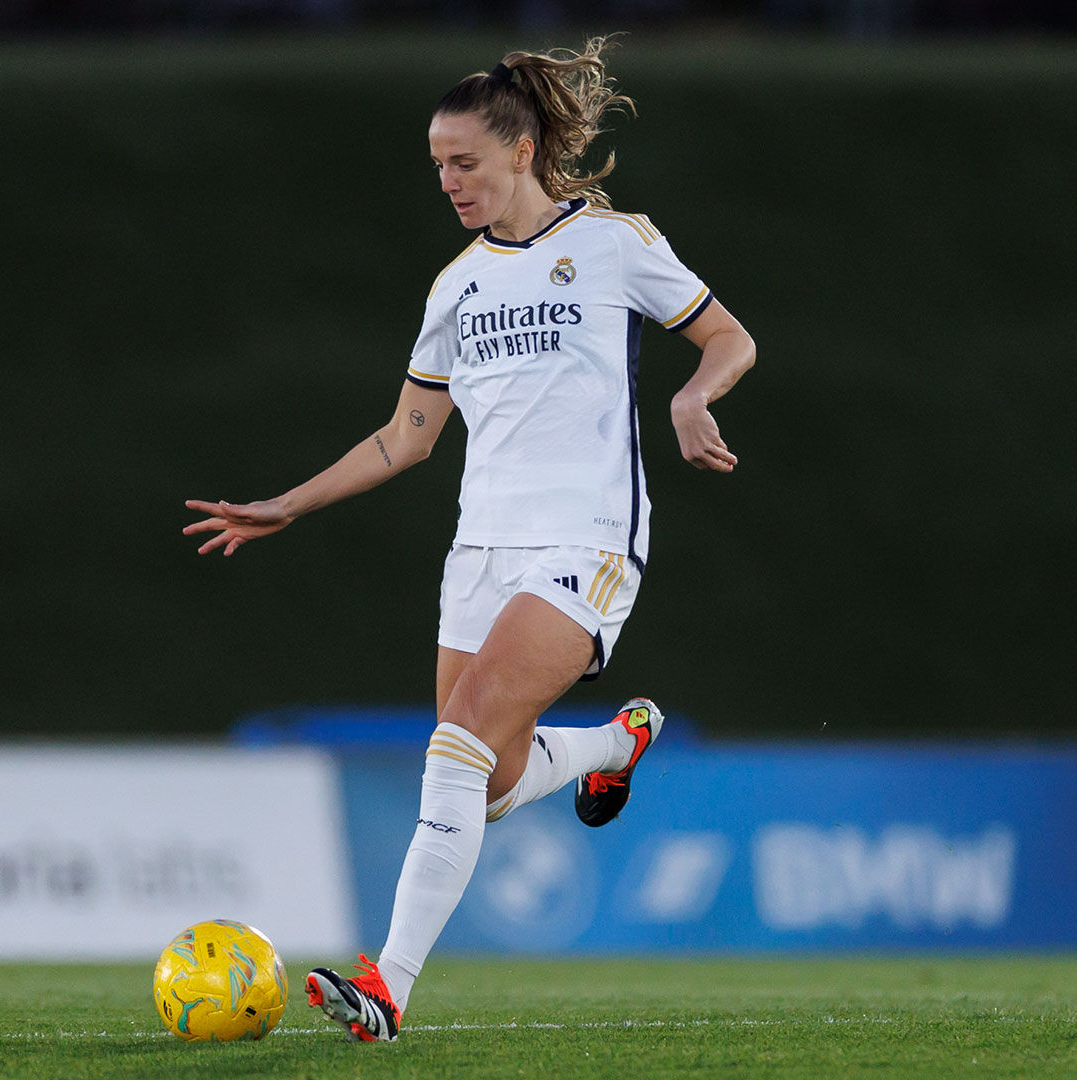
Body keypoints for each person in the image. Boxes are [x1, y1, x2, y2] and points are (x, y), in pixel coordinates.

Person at [182, 36, 756, 1042]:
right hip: (479, 553)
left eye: (466, 163)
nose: (448, 182)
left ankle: (387, 985)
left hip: (585, 543)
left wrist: (692, 398)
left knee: (454, 744)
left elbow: (728, 336)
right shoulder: (455, 287)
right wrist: (288, 503)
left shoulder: (614, 245)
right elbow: (405, 438)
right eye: (439, 166)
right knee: (481, 782)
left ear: (524, 150)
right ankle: (617, 742)